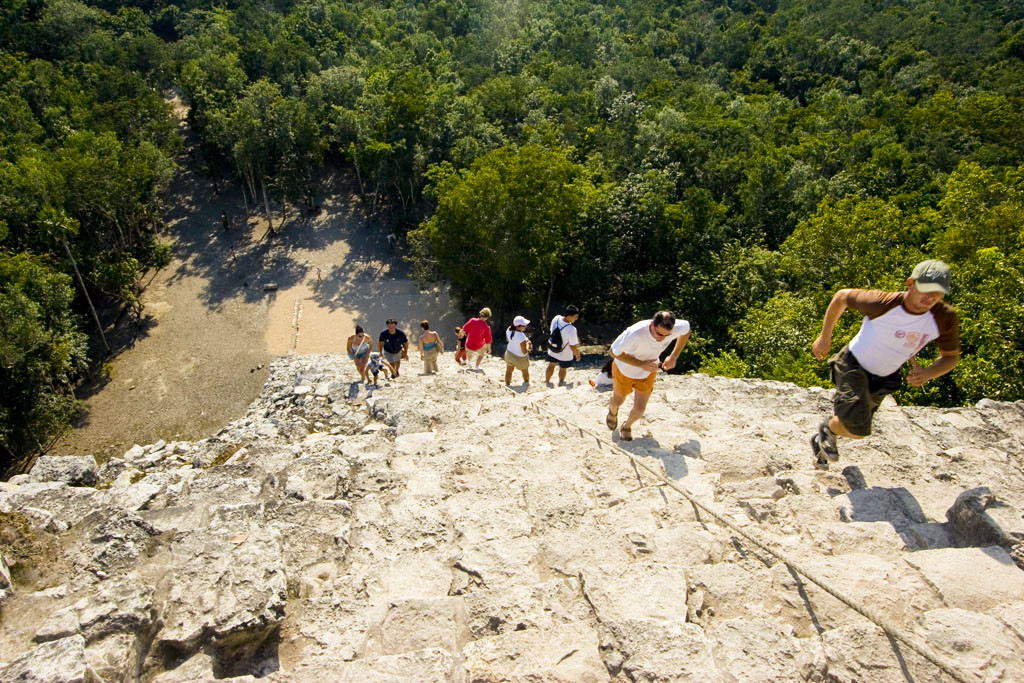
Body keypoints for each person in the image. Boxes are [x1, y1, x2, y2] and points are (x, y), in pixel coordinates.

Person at [810, 259, 960, 469]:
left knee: (857, 430)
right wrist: (825, 337)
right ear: (910, 283)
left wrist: (928, 373)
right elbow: (842, 296)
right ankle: (827, 432)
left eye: (938, 292)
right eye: (926, 290)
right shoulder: (884, 303)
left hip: (886, 375)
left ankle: (827, 432)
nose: (931, 297)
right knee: (855, 423)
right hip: (853, 364)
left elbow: (950, 356)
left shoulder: (944, 318)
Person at [607, 311, 691, 441]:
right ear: (652, 324)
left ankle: (626, 426)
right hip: (624, 370)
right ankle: (613, 410)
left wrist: (674, 356)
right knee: (618, 400)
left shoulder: (678, 327)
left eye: (666, 335)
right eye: (659, 334)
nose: (661, 338)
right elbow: (613, 352)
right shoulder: (635, 333)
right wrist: (641, 364)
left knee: (640, 409)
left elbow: (686, 331)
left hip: (649, 370)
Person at [545, 305, 582, 386]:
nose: (576, 319)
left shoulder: (556, 318)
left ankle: (547, 381)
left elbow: (551, 330)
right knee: (563, 368)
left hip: (553, 347)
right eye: (575, 317)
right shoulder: (572, 329)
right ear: (569, 316)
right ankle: (561, 382)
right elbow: (573, 346)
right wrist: (577, 355)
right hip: (564, 353)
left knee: (551, 365)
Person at [504, 316, 533, 386]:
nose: (525, 326)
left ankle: (507, 385)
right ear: (518, 326)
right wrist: (529, 346)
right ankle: (526, 383)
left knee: (509, 371)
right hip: (520, 358)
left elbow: (511, 339)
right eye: (524, 325)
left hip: (509, 353)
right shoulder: (521, 336)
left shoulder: (508, 329)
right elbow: (524, 351)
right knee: (525, 371)